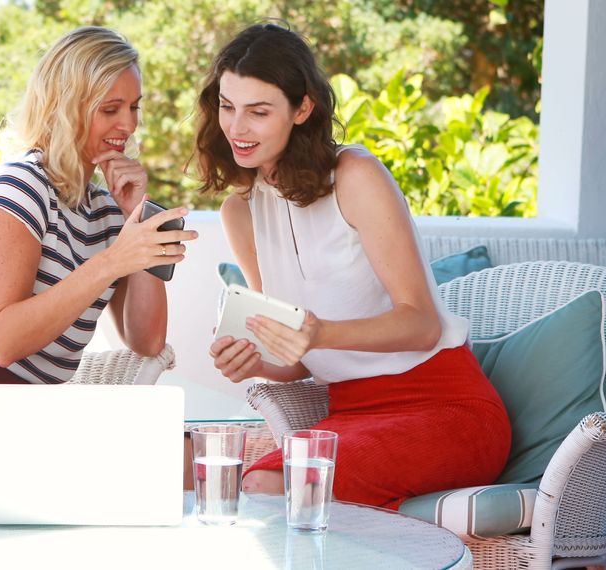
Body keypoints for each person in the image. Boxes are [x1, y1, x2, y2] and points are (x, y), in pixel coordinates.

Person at [194, 23, 511, 509]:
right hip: (349, 415)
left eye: (258, 112)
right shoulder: (241, 213)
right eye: (227, 106)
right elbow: (297, 358)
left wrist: (319, 333)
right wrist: (254, 361)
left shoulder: (355, 176)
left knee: (270, 488)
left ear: (303, 110)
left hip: (445, 410)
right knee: (237, 485)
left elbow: (422, 324)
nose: (236, 128)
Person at [0, 27, 197, 484]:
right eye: (110, 109)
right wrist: (113, 261)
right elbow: (4, 340)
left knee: (182, 454)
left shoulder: (105, 212)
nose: (129, 125)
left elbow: (147, 341)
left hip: (27, 407)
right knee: (147, 464)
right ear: (66, 106)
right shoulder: (18, 185)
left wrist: (138, 219)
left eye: (134, 107)